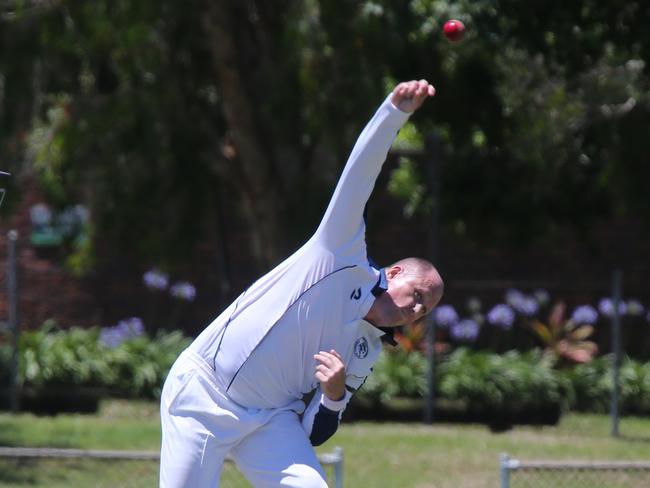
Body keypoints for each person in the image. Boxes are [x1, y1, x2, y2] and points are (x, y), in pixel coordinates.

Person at [160, 79, 444, 487]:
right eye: (417, 295)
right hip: (203, 394)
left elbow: (313, 432)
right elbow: (359, 175)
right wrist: (394, 113)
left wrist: (333, 393)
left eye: (425, 308)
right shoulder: (340, 252)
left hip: (271, 419)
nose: (416, 309)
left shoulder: (364, 353)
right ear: (395, 273)